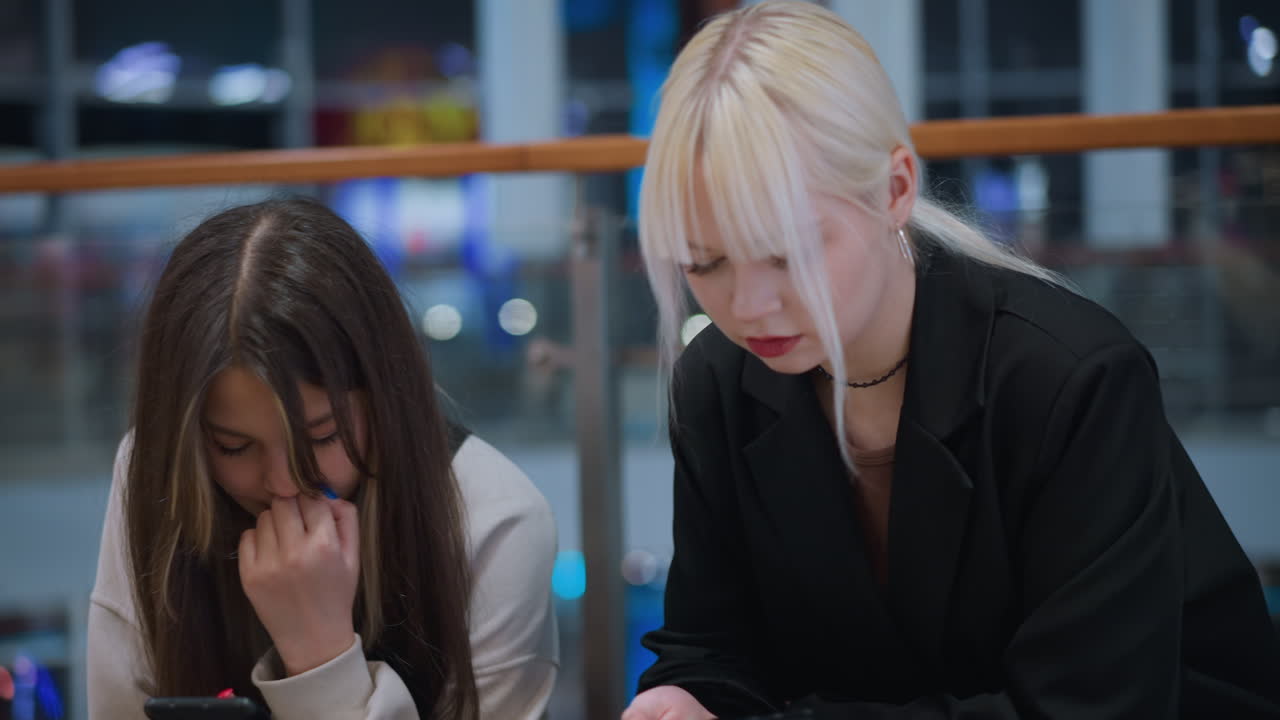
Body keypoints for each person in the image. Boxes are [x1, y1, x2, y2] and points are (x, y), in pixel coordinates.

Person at [622, 2, 1280, 718]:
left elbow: (1087, 706)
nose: (747, 306)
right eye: (704, 261)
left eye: (788, 254)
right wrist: (684, 695)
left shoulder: (1069, 378)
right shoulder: (718, 380)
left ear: (896, 189)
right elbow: (709, 643)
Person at [88, 197, 559, 720]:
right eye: (234, 447)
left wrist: (320, 654)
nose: (287, 484)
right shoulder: (154, 471)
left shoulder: (495, 521)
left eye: (323, 435)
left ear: (385, 393)